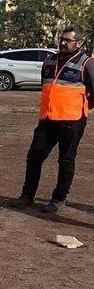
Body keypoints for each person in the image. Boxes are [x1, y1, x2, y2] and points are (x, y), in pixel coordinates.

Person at [11, 24, 94, 213]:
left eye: (68, 40)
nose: (63, 43)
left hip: (72, 121)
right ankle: (27, 195)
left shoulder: (86, 63)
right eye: (61, 39)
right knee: (34, 157)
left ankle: (58, 199)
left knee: (65, 160)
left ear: (79, 43)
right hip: (47, 119)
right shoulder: (49, 61)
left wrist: (84, 106)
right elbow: (46, 87)